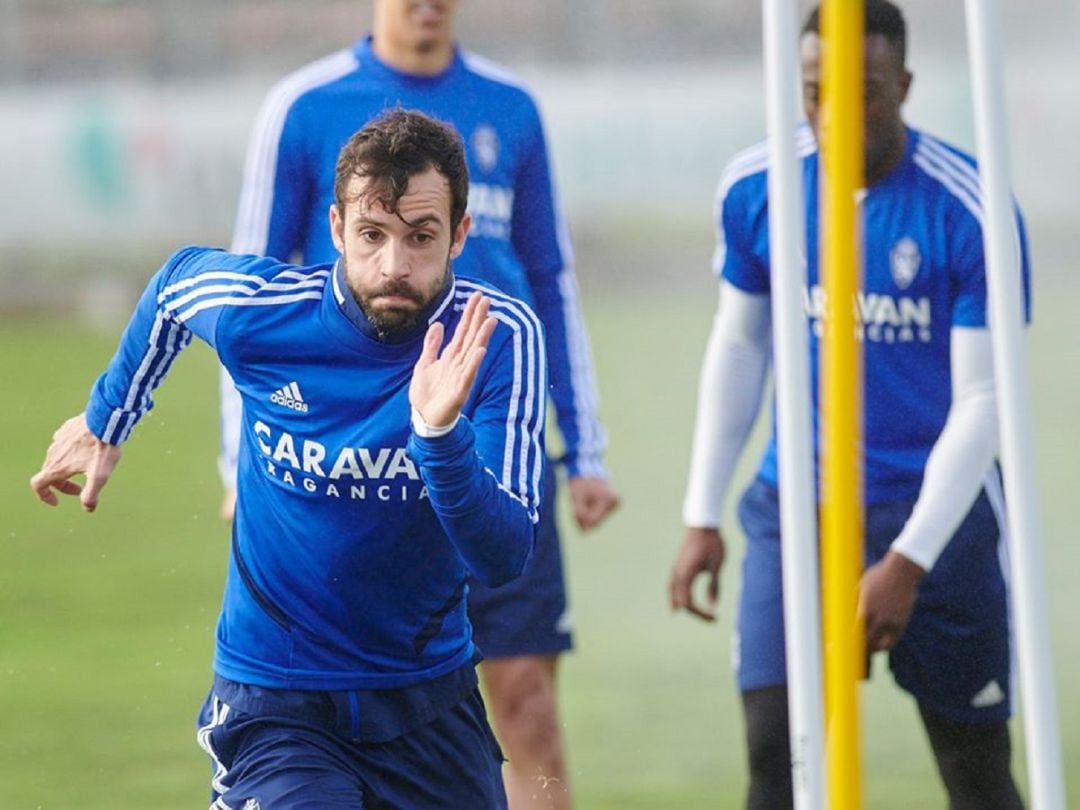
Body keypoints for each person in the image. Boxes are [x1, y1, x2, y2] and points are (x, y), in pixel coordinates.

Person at [31, 109, 547, 809]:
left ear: (459, 233)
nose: (394, 265)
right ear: (335, 229)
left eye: (421, 238)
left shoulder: (497, 339)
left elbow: (502, 555)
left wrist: (437, 436)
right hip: (277, 704)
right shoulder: (264, 313)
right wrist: (108, 417)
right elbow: (176, 285)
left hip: (428, 705)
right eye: (372, 235)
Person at [219, 2, 619, 805]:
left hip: (496, 447)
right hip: (357, 454)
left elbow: (551, 279)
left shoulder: (513, 107)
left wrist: (585, 446)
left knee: (529, 706)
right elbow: (249, 297)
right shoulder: (304, 106)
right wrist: (237, 458)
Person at [669, 2, 1029, 808]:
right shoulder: (758, 186)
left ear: (902, 85)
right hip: (797, 505)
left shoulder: (966, 207)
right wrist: (702, 512)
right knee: (775, 751)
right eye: (812, 90)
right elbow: (739, 347)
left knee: (973, 767)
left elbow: (983, 398)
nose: (832, 114)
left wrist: (908, 561)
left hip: (939, 519)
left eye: (861, 90)